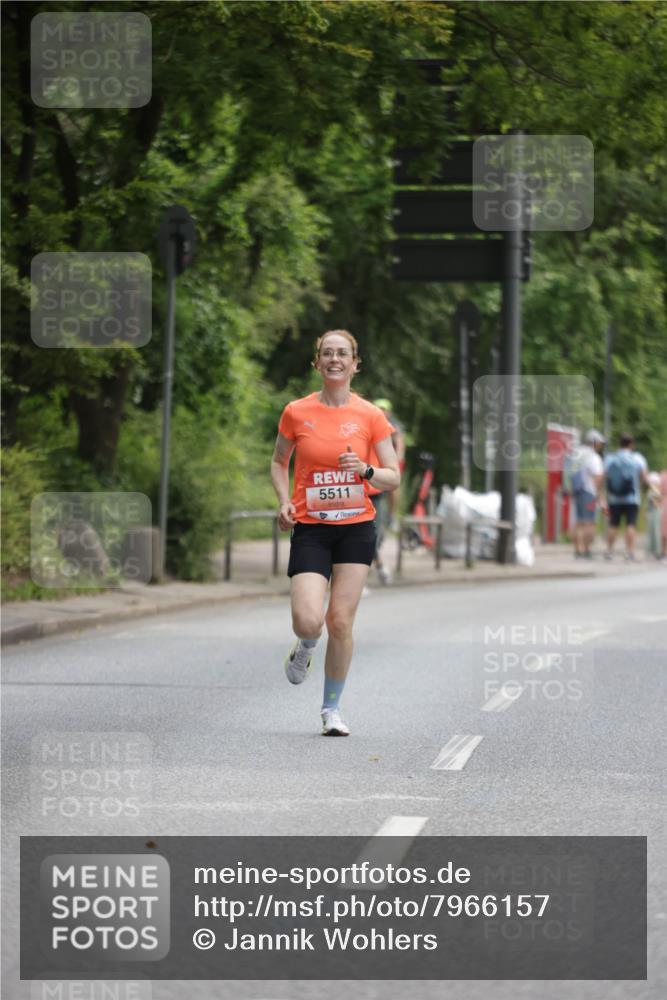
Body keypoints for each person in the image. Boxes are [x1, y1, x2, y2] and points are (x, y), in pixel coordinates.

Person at [270, 329, 400, 736]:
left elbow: (393, 476)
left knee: (340, 621)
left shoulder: (370, 416)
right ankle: (306, 646)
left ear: (355, 364)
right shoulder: (296, 411)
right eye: (327, 353)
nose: (335, 359)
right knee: (309, 621)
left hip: (356, 527)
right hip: (310, 527)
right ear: (317, 363)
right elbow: (278, 462)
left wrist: (364, 471)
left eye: (342, 354)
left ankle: (331, 710)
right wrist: (283, 500)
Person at [603, 432, 649, 561]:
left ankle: (609, 551)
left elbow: (604, 475)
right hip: (632, 498)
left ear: (620, 443)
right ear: (631, 444)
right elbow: (645, 477)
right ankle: (629, 552)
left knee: (613, 524)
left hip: (614, 497)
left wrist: (602, 492)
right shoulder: (637, 458)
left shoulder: (611, 458)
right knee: (631, 525)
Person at [567, 429, 606, 559]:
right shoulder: (593, 457)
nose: (601, 445)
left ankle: (577, 550)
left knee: (578, 522)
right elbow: (598, 477)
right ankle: (587, 550)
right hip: (589, 492)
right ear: (594, 443)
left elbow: (569, 473)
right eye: (600, 443)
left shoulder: (576, 453)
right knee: (589, 522)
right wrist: (600, 495)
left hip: (576, 491)